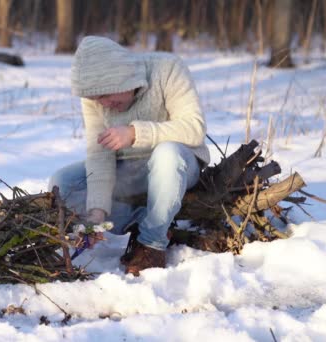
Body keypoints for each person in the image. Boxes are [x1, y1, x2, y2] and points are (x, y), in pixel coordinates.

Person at [49, 36, 210, 276]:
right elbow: (100, 155)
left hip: (178, 163)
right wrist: (96, 212)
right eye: (96, 99)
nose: (103, 104)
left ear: (122, 77)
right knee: (63, 183)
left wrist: (136, 133)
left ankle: (151, 242)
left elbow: (194, 128)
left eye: (106, 96)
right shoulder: (94, 97)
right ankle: (141, 218)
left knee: (166, 155)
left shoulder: (167, 69)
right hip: (129, 170)